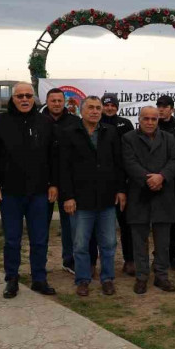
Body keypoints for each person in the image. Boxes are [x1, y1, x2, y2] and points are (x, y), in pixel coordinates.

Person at [0, 82, 59, 298]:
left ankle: (39, 278)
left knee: (39, 238)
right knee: (12, 239)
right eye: (20, 96)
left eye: (28, 95)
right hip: (10, 192)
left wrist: (54, 183)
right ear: (13, 98)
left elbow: (54, 156)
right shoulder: (0, 122)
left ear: (34, 98)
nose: (24, 99)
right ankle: (12, 278)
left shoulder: (45, 123)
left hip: (39, 193)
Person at [59, 96, 126, 297]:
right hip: (80, 201)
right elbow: (64, 168)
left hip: (106, 200)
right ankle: (82, 280)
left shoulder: (111, 132)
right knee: (80, 245)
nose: (95, 111)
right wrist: (68, 197)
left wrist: (121, 190)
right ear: (81, 110)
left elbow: (118, 164)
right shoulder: (70, 133)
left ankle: (107, 279)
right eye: (91, 108)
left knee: (108, 243)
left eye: (98, 108)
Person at [123, 106, 175, 293]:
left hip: (163, 194)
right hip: (139, 194)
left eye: (153, 119)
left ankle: (161, 276)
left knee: (163, 241)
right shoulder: (128, 138)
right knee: (139, 240)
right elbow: (129, 162)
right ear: (139, 119)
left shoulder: (169, 138)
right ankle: (141, 277)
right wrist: (148, 179)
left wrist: (161, 177)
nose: (149, 122)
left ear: (158, 120)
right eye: (146, 118)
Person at [42, 88, 90, 275]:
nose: (56, 103)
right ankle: (40, 263)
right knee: (40, 226)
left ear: (64, 102)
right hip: (43, 181)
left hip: (68, 182)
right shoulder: (39, 121)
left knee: (70, 225)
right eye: (52, 100)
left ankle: (69, 260)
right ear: (47, 101)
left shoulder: (75, 122)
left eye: (59, 100)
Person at [101, 93, 135, 276]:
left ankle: (130, 260)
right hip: (102, 183)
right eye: (106, 105)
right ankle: (92, 262)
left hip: (123, 181)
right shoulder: (95, 123)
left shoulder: (125, 124)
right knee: (99, 226)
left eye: (113, 105)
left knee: (126, 224)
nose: (109, 108)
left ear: (117, 106)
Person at [157, 95, 175, 271]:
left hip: (172, 181)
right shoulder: (152, 125)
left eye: (165, 106)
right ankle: (157, 256)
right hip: (154, 179)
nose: (161, 109)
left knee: (173, 221)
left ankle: (173, 257)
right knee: (156, 221)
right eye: (159, 105)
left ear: (172, 109)